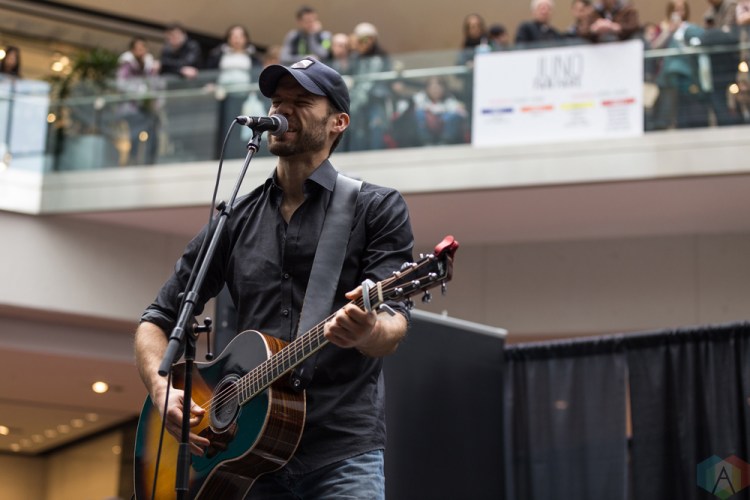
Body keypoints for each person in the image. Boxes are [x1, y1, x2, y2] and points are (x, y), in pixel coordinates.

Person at [133, 57, 414, 499]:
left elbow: (393, 327)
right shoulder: (235, 219)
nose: (283, 110)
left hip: (340, 452)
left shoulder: (375, 208)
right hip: (244, 455)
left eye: (301, 101)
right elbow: (158, 318)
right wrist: (162, 388)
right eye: (278, 100)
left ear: (338, 122)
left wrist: (368, 329)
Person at [204, 25, 264, 158]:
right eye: (233, 36)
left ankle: (237, 154)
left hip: (243, 96)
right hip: (222, 97)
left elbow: (257, 75)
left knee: (240, 127)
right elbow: (210, 72)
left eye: (240, 36)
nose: (236, 39)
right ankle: (221, 155)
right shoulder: (219, 53)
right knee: (223, 128)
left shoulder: (252, 56)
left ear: (245, 38)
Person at [116, 37, 163, 165]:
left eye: (143, 48)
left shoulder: (150, 65)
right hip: (132, 108)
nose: (141, 51)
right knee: (134, 136)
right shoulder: (127, 64)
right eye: (138, 49)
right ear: (133, 50)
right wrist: (139, 91)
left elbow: (156, 84)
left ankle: (150, 162)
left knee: (153, 134)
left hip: (148, 108)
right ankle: (132, 161)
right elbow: (121, 84)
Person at [348, 22, 393, 151]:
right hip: (358, 99)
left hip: (375, 98)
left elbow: (378, 78)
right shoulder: (355, 57)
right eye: (361, 39)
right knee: (358, 130)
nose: (364, 42)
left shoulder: (381, 56)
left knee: (376, 126)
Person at [412, 76, 469, 145]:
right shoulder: (420, 98)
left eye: (438, 87)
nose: (435, 90)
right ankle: (426, 142)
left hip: (443, 130)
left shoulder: (449, 99)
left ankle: (445, 142)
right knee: (419, 113)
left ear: (443, 89)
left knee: (452, 116)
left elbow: (463, 114)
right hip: (426, 131)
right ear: (427, 89)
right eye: (432, 87)